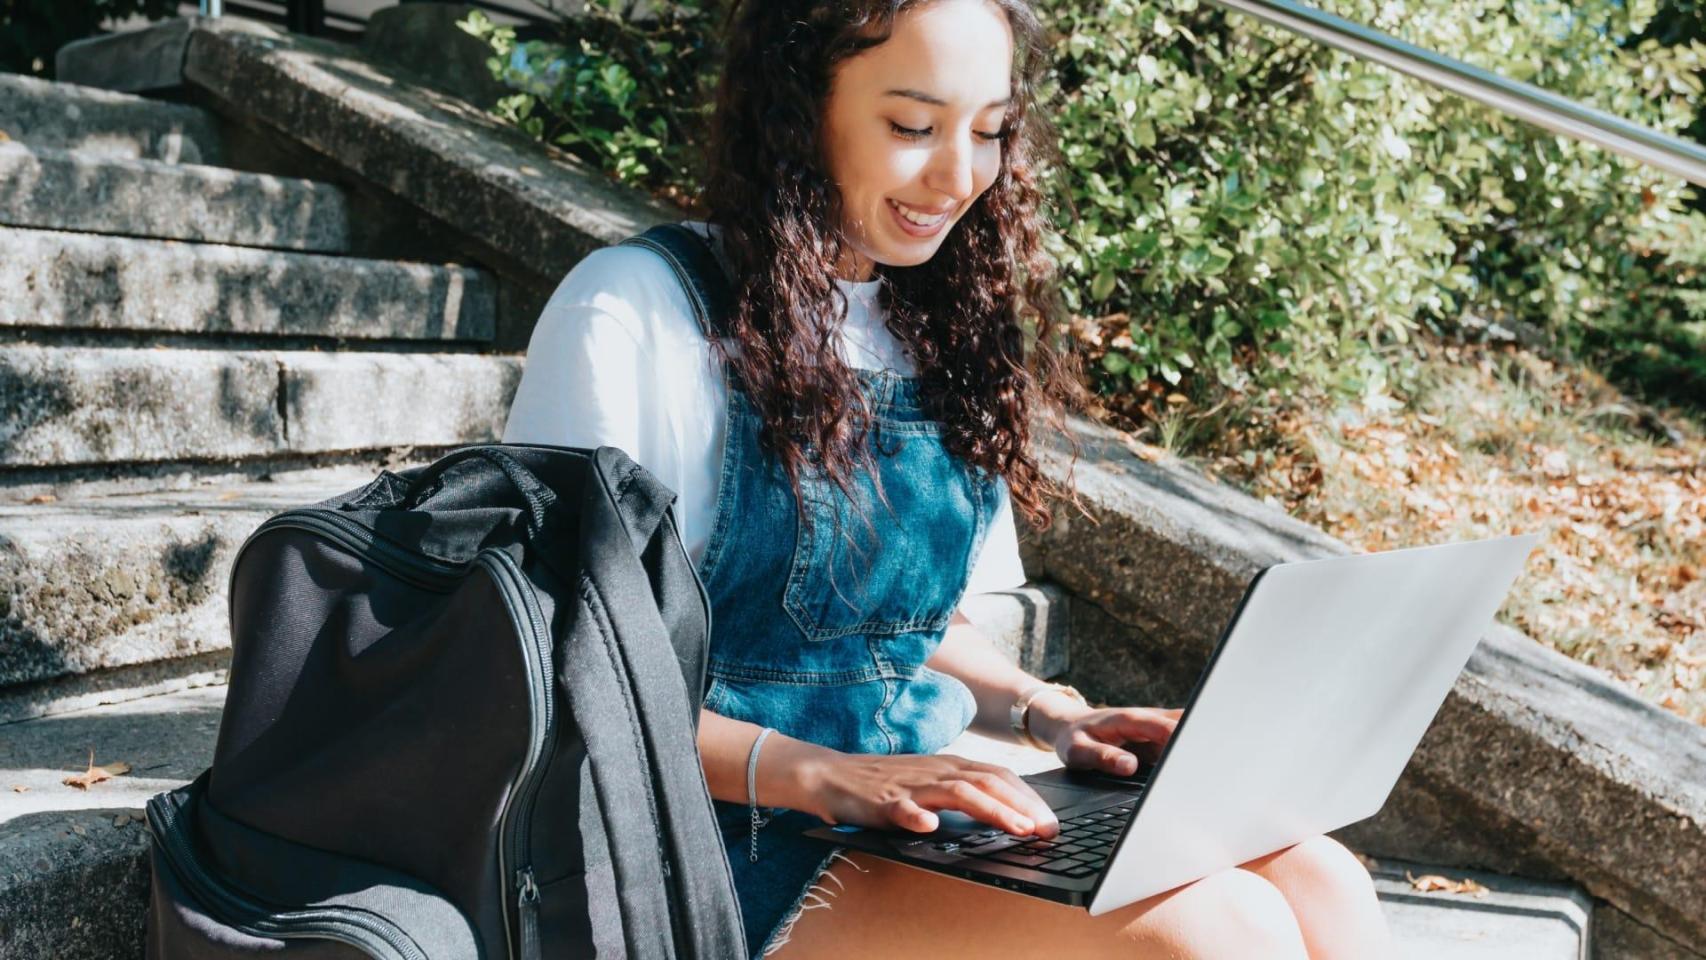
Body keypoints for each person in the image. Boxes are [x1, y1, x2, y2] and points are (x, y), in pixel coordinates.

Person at [503, 0, 1396, 956]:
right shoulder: (637, 312)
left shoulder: (935, 326)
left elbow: (912, 630)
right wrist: (823, 774)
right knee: (1217, 931)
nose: (958, 174)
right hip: (690, 849)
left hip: (899, 814)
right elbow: (560, 670)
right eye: (913, 126)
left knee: (1316, 872)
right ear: (800, 106)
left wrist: (1049, 713)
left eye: (990, 131)